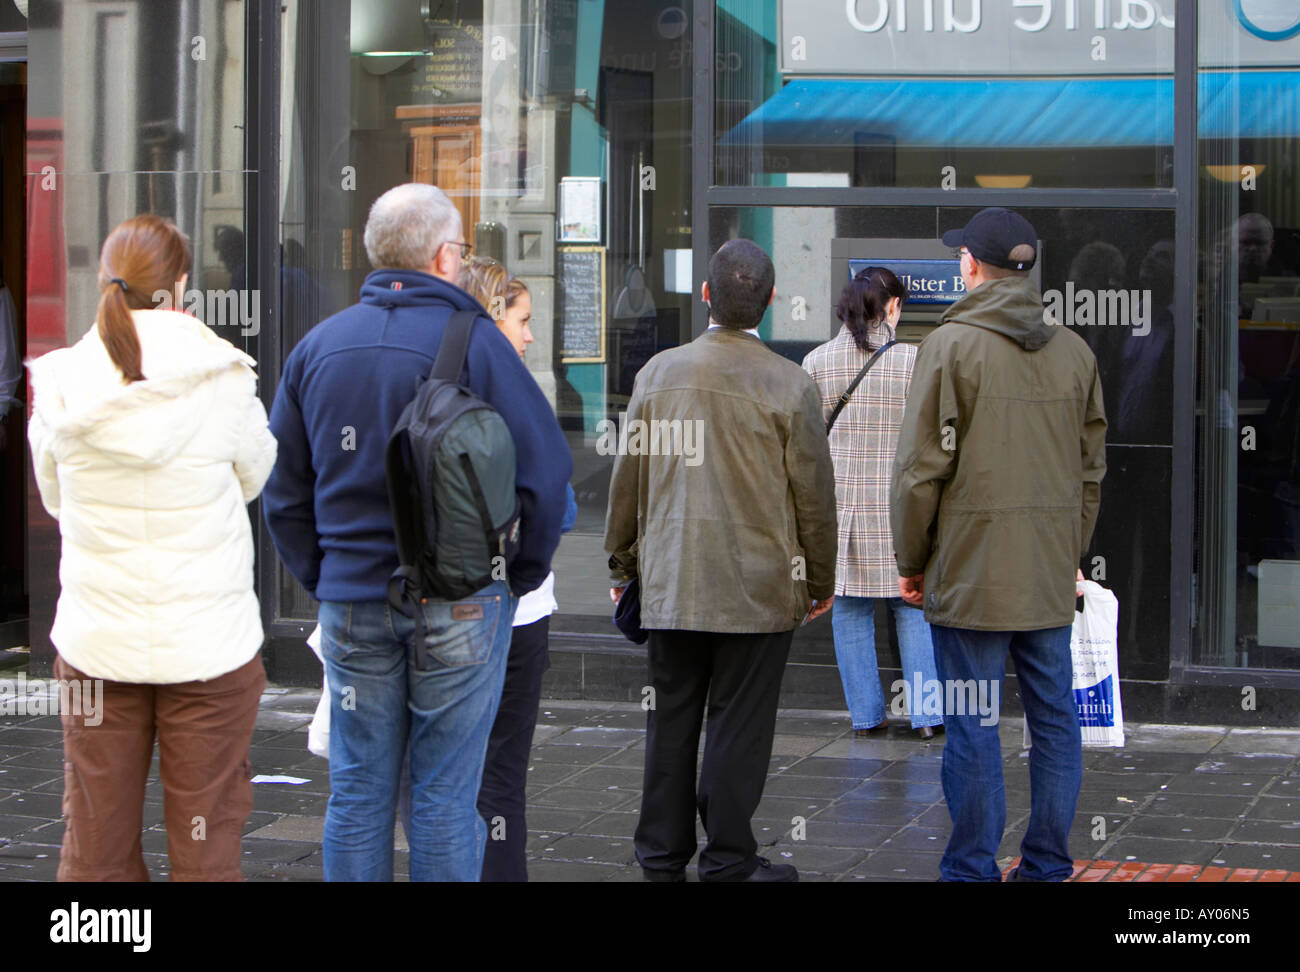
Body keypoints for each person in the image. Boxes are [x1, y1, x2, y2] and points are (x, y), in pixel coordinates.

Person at [262, 183, 571, 882]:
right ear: (443, 256)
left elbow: (280, 490)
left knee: (359, 790)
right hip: (464, 600)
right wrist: (516, 576)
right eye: (459, 251)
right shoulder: (481, 347)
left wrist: (325, 576)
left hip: (352, 602)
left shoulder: (317, 349)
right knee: (443, 796)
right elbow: (547, 478)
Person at [26, 214, 277, 881]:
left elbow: (55, 500)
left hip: (95, 644)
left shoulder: (59, 385)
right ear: (179, 284)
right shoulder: (223, 376)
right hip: (207, 647)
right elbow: (255, 475)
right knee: (206, 842)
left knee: (95, 843)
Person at [605, 238, 838, 883]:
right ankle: (729, 858)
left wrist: (622, 568)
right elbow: (814, 499)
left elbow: (629, 482)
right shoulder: (793, 385)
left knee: (670, 723)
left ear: (705, 295)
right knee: (741, 728)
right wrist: (820, 581)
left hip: (673, 582)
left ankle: (660, 858)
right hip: (760, 590)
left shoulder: (656, 373)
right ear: (768, 302)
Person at [891, 207, 1107, 883]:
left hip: (970, 574)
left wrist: (912, 560)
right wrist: (1068, 548)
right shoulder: (1074, 352)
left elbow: (920, 472)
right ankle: (1046, 865)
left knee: (973, 725)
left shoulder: (949, 348)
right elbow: (1090, 471)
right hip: (1045, 574)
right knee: (1055, 723)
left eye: (961, 256)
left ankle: (972, 868)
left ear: (971, 267)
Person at [455, 255, 576, 881]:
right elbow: (559, 501)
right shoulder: (518, 391)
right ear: (493, 316)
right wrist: (525, 575)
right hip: (515, 610)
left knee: (443, 775)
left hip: (440, 605)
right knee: (501, 773)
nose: (530, 335)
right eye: (523, 320)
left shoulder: (429, 376)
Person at [802, 267, 944, 740]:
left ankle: (867, 717)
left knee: (850, 612)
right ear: (894, 307)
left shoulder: (817, 362)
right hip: (903, 510)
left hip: (842, 511)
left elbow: (807, 447)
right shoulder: (914, 360)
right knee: (912, 609)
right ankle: (926, 718)